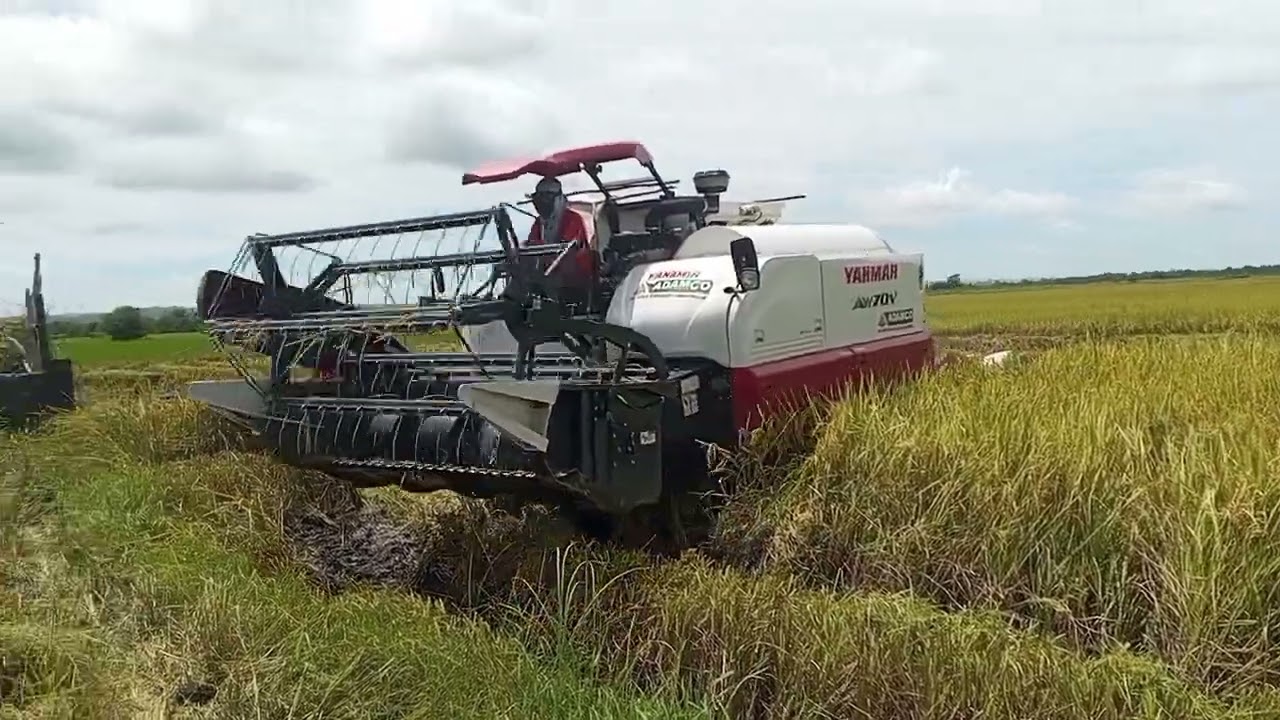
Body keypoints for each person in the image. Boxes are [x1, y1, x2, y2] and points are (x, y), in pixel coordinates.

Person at [525, 176, 596, 289]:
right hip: (549, 276)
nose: (542, 202)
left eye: (547, 197)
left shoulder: (573, 219)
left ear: (558, 199)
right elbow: (532, 245)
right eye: (539, 197)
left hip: (575, 279)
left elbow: (565, 251)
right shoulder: (538, 223)